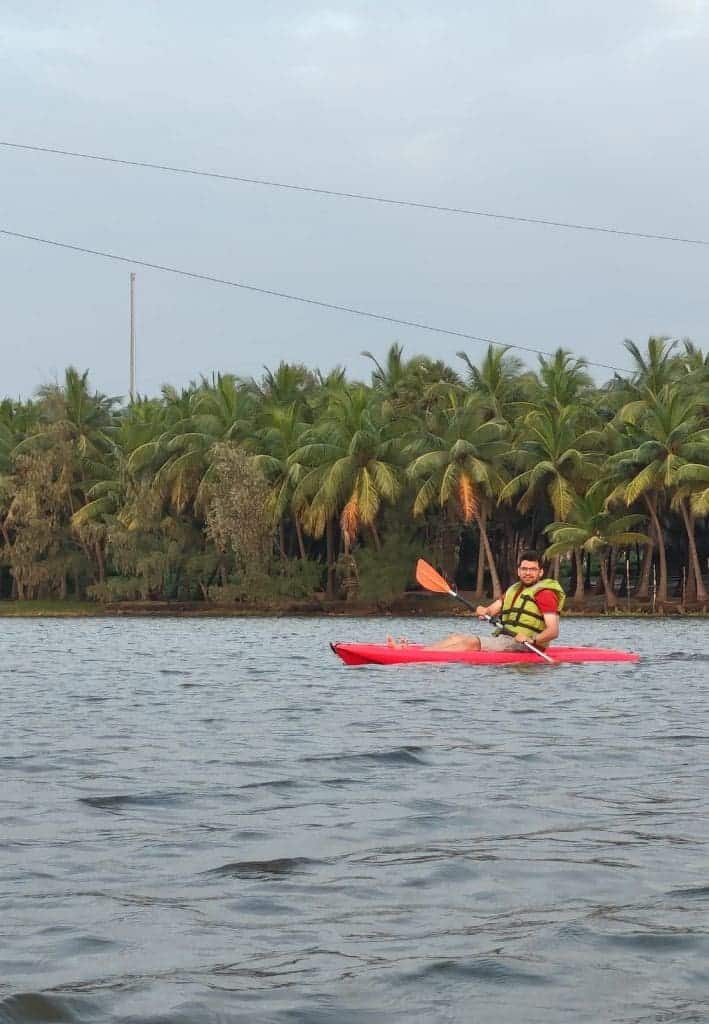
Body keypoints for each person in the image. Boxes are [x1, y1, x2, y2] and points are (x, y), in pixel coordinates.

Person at [388, 550, 565, 651]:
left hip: (528, 646)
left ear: (540, 572)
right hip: (507, 639)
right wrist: (484, 611)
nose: (528, 573)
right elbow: (492, 610)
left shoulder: (545, 594)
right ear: (518, 571)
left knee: (471, 642)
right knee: (455, 637)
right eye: (524, 569)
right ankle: (417, 652)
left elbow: (553, 631)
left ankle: (418, 658)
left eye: (532, 570)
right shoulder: (514, 589)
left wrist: (532, 639)